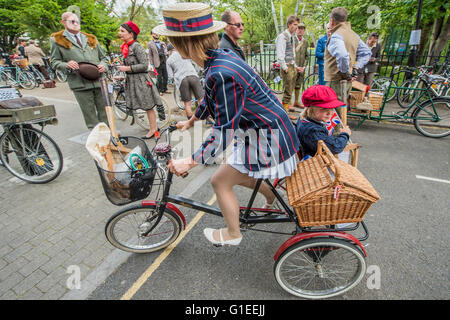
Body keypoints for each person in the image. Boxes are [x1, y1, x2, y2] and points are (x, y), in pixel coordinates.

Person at [153, 2, 300, 246]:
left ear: (184, 43)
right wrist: (190, 121)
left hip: (268, 138)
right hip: (266, 131)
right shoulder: (220, 58)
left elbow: (223, 132)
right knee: (236, 171)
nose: (172, 48)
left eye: (174, 42)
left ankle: (233, 233)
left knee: (219, 180)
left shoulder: (220, 72)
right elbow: (212, 100)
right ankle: (271, 197)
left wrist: (190, 160)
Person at [50, 12, 108, 130]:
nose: (76, 24)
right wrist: (67, 64)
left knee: (105, 112)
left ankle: (110, 138)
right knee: (90, 115)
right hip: (80, 83)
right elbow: (54, 62)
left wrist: (103, 65)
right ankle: (98, 142)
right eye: (72, 21)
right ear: (64, 22)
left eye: (77, 21)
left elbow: (103, 58)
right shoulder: (57, 40)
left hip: (98, 81)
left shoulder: (91, 38)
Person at [324, 7, 371, 132]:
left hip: (335, 79)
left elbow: (343, 55)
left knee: (333, 112)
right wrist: (355, 67)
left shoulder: (336, 36)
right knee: (340, 109)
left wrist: (344, 71)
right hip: (346, 80)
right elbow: (366, 52)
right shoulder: (353, 35)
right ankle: (339, 137)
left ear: (332, 21)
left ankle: (335, 140)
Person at [116, 21, 164, 140]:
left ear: (131, 34)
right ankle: (153, 127)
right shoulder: (127, 47)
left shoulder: (136, 46)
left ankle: (153, 129)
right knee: (145, 105)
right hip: (133, 81)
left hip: (141, 81)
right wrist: (124, 73)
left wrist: (127, 68)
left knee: (148, 106)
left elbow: (144, 65)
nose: (119, 33)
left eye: (122, 31)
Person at [296, 85, 351, 157]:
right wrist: (345, 135)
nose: (330, 113)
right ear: (311, 109)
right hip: (317, 164)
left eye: (332, 108)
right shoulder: (313, 131)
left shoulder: (304, 119)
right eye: (324, 109)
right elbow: (335, 147)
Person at [166, 44, 204, 119]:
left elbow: (170, 76)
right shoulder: (183, 53)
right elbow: (194, 63)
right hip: (193, 75)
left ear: (169, 51)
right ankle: (205, 117)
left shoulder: (169, 60)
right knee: (201, 99)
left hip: (182, 79)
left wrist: (175, 81)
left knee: (187, 103)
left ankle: (191, 121)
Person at [276, 15, 303, 119]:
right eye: (295, 24)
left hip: (291, 66)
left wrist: (296, 66)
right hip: (286, 67)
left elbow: (292, 55)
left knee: (290, 89)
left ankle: (285, 111)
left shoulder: (291, 37)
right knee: (287, 90)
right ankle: (284, 114)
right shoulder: (283, 37)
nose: (297, 27)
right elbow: (280, 54)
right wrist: (284, 67)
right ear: (289, 24)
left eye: (297, 24)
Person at [293, 22, 309, 108]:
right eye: (299, 28)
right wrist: (295, 66)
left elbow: (307, 56)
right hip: (292, 67)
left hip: (301, 68)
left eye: (302, 29)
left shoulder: (305, 42)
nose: (300, 30)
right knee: (290, 85)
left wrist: (304, 67)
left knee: (298, 85)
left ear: (304, 30)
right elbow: (288, 55)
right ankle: (288, 104)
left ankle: (296, 102)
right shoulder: (291, 40)